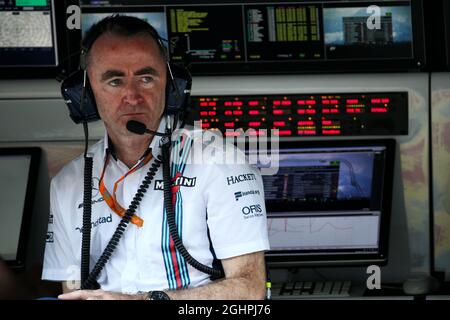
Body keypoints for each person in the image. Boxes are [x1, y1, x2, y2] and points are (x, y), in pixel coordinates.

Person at [42, 15, 270, 300]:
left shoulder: (219, 161)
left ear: (171, 87)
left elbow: (250, 290)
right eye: (114, 81)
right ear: (85, 95)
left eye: (146, 78)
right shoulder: (68, 183)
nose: (132, 96)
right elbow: (72, 290)